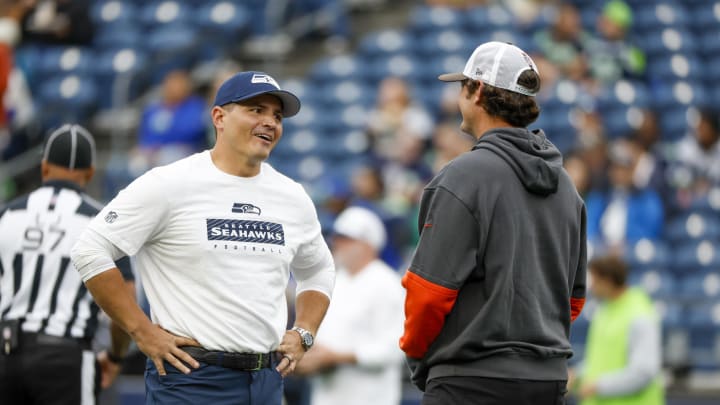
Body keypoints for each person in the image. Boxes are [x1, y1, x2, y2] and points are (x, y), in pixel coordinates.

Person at [70, 71, 336, 404]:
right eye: (256, 110)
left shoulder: (292, 196)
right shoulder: (170, 183)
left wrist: (305, 333)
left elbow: (319, 270)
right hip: (192, 379)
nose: (270, 122)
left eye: (277, 116)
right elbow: (90, 249)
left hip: (267, 380)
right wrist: (142, 332)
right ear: (219, 117)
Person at [399, 41, 587, 404]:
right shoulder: (566, 185)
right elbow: (573, 301)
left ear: (479, 90)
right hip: (546, 382)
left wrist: (419, 358)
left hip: (470, 381)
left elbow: (428, 294)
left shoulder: (462, 176)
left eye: (462, 86)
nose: (458, 97)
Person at [0, 123, 134, 404]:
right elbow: (126, 302)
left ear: (44, 167)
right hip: (65, 356)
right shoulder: (102, 222)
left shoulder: (7, 214)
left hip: (6, 351)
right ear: (90, 173)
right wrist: (115, 356)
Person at [296, 206, 404, 405]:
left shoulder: (387, 284)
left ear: (368, 244)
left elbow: (394, 349)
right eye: (336, 238)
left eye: (346, 239)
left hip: (370, 398)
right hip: (326, 396)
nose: (337, 244)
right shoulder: (334, 280)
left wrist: (337, 357)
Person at [570, 255, 664, 405]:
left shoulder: (640, 315)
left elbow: (644, 372)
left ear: (607, 281)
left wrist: (598, 386)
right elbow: (600, 359)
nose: (591, 286)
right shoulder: (603, 311)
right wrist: (578, 375)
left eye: (594, 280)